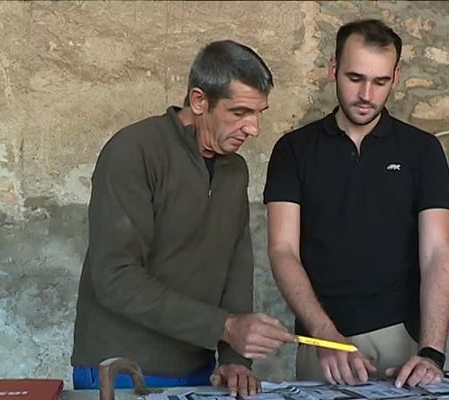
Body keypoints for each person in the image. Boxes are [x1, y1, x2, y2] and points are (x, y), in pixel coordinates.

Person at [71, 40, 295, 396]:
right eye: (239, 113)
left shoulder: (234, 170)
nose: (253, 128)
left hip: (199, 370)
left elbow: (236, 268)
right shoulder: (134, 151)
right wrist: (225, 326)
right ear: (199, 100)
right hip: (122, 370)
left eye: (258, 114)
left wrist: (235, 358)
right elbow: (115, 277)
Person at [264, 19, 449, 388]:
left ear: (395, 78)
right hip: (323, 342)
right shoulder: (293, 150)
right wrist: (324, 334)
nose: (367, 94)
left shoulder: (422, 150)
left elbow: (437, 251)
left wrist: (432, 351)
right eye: (355, 78)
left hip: (403, 340)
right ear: (332, 69)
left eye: (380, 81)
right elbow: (282, 249)